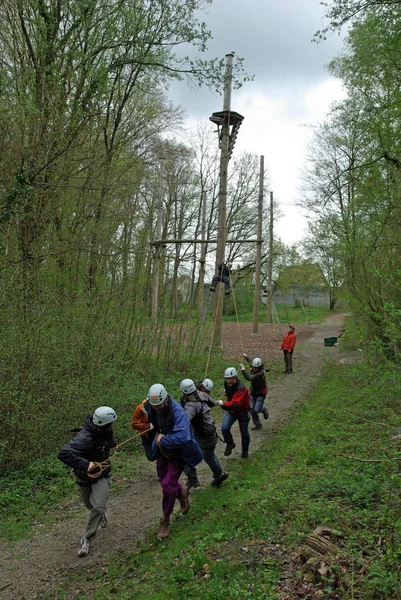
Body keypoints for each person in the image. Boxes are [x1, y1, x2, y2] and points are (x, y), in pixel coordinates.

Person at [132, 383, 203, 541]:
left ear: (165, 399)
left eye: (159, 405)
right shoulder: (149, 406)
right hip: (161, 451)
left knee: (167, 485)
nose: (156, 408)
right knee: (165, 481)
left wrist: (163, 439)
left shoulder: (178, 412)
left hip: (178, 452)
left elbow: (183, 437)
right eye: (153, 405)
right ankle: (181, 491)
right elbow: (141, 416)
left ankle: (165, 520)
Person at [57, 406, 117, 557]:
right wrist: (86, 465)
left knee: (98, 506)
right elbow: (63, 454)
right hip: (83, 477)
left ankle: (87, 538)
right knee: (90, 505)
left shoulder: (106, 430)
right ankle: (100, 513)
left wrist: (113, 444)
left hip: (102, 475)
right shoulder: (85, 438)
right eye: (110, 424)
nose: (111, 426)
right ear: (102, 425)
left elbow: (109, 437)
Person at [179, 378, 228, 489]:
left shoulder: (190, 406)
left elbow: (185, 421)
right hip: (209, 433)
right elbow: (212, 403)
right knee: (209, 457)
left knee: (185, 455)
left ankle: (193, 479)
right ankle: (218, 475)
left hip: (204, 436)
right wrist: (218, 403)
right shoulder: (202, 394)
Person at [216, 367, 251, 458]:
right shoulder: (227, 384)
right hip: (232, 411)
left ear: (235, 378)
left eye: (230, 378)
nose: (228, 381)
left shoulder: (241, 389)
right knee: (224, 428)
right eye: (227, 379)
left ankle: (245, 451)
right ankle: (230, 443)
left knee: (244, 433)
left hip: (243, 411)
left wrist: (223, 404)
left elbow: (235, 404)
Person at [239, 355, 269, 430]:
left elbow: (249, 378)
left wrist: (243, 370)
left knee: (257, 409)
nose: (254, 369)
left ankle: (263, 409)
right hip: (253, 392)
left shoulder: (261, 373)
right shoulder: (254, 366)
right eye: (253, 367)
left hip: (261, 393)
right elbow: (250, 361)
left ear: (259, 367)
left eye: (256, 368)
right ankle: (257, 423)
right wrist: (246, 357)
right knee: (251, 408)